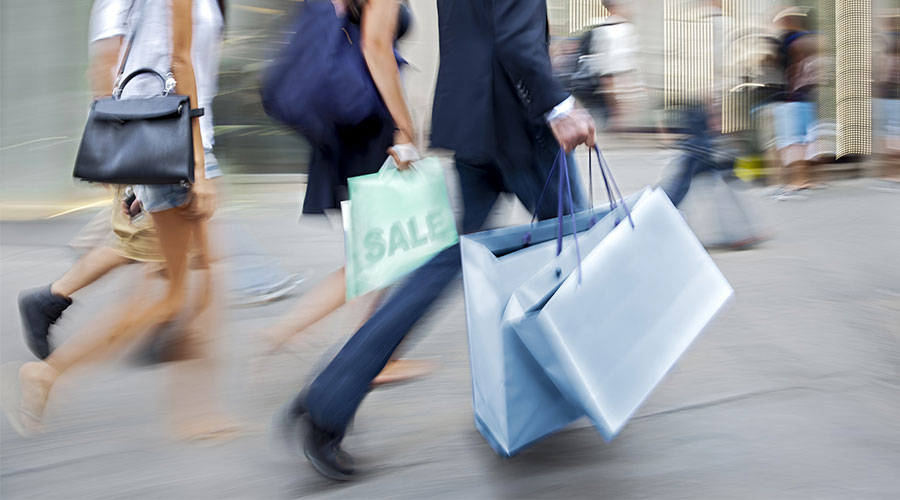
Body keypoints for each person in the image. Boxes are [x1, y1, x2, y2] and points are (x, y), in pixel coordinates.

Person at [278, 0, 596, 480]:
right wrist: (561, 104)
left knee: (453, 258)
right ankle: (576, 382)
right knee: (581, 249)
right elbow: (514, 39)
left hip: (472, 123)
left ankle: (331, 394)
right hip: (521, 127)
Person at [4, 0, 235, 440]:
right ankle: (48, 376)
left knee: (204, 278)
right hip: (176, 143)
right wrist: (199, 170)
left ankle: (196, 412)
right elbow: (179, 58)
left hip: (174, 139)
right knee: (172, 295)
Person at [260, 0, 431, 384]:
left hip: (351, 128)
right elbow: (375, 47)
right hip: (371, 128)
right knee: (379, 252)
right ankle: (360, 352)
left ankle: (343, 342)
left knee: (377, 252)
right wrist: (406, 128)